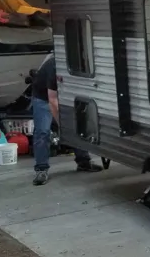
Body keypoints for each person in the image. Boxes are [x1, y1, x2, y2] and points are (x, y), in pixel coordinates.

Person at [31, 53, 102, 185]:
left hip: (64, 96)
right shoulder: (54, 67)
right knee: (42, 132)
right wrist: (62, 124)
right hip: (43, 98)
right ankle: (41, 169)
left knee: (77, 127)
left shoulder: (81, 65)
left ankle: (83, 162)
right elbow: (52, 100)